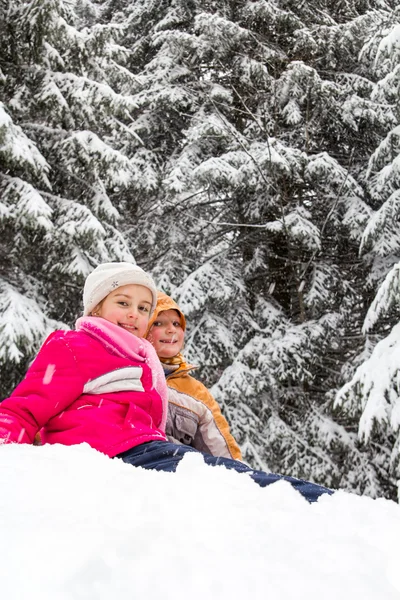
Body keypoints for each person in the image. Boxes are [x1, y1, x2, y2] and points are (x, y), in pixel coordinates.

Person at [0, 262, 333, 503]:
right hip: (113, 451)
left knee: (230, 477)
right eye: (123, 303)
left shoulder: (140, 360)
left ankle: (320, 501)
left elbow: (207, 429)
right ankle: (318, 503)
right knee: (234, 482)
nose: (134, 314)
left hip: (145, 449)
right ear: (96, 308)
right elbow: (25, 408)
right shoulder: (75, 345)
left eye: (143, 308)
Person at [145, 292, 242, 460]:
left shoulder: (195, 390)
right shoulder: (129, 372)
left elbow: (221, 448)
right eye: (158, 323)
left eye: (176, 323)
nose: (171, 330)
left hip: (181, 475)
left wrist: (241, 479)